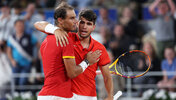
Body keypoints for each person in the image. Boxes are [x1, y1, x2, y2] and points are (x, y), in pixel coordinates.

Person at [34, 9, 113, 100]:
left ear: (93, 27)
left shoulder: (100, 48)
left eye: (89, 24)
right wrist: (56, 30)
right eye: (82, 23)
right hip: (67, 95)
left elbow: (107, 76)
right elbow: (37, 24)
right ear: (77, 24)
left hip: (88, 96)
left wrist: (110, 96)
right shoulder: (66, 38)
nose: (84, 27)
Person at [7, 19, 40, 92]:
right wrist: (12, 60)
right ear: (15, 26)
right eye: (18, 25)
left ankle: (23, 96)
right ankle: (16, 96)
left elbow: (39, 45)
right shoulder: (11, 38)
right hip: (16, 64)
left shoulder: (29, 36)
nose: (20, 27)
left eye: (21, 25)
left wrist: (38, 56)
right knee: (14, 81)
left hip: (27, 63)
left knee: (23, 81)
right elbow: (8, 51)